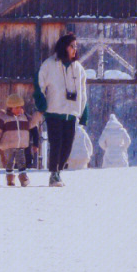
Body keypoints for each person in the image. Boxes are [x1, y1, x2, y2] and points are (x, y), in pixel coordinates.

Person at [34, 32, 88, 187]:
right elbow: (39, 84)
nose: (75, 49)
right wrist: (41, 103)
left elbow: (83, 93)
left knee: (67, 145)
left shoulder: (79, 69)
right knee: (55, 143)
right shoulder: (49, 64)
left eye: (76, 47)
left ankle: (58, 172)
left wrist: (84, 112)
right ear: (65, 47)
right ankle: (54, 173)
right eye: (72, 46)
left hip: (71, 114)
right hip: (54, 112)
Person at [0, 93, 42, 186]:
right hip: (8, 145)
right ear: (10, 108)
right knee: (10, 161)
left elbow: (32, 125)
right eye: (16, 108)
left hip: (20, 145)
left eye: (20, 107)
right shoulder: (4, 119)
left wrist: (37, 115)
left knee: (21, 161)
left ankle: (23, 178)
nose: (19, 110)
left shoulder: (24, 118)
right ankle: (10, 178)